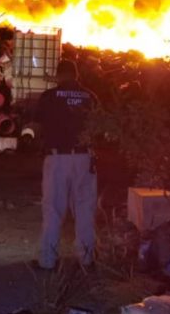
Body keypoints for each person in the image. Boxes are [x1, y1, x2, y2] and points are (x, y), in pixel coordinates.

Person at [34, 58, 99, 270]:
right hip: (84, 157)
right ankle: (87, 258)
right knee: (85, 207)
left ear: (59, 75)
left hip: (57, 158)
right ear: (77, 75)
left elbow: (38, 125)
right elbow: (100, 127)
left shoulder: (49, 97)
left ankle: (48, 260)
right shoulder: (91, 96)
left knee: (53, 208)